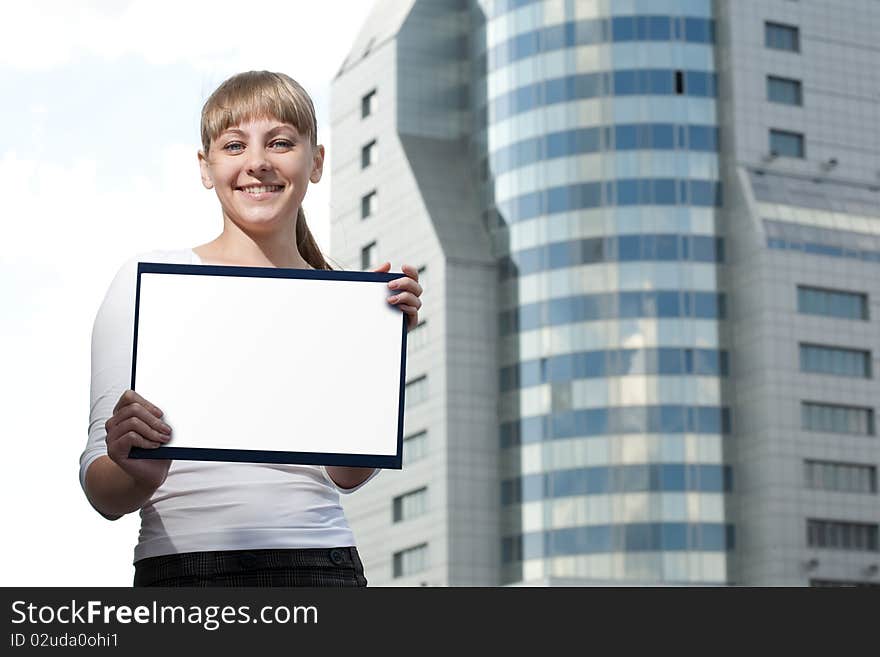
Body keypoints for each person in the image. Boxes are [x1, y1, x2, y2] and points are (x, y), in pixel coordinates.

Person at [79, 71, 423, 587]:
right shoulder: (147, 281)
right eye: (234, 145)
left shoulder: (346, 303)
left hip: (318, 567)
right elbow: (104, 494)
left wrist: (379, 353)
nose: (257, 162)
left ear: (317, 161)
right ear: (206, 166)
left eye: (280, 142)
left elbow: (346, 475)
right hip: (179, 573)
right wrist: (135, 471)